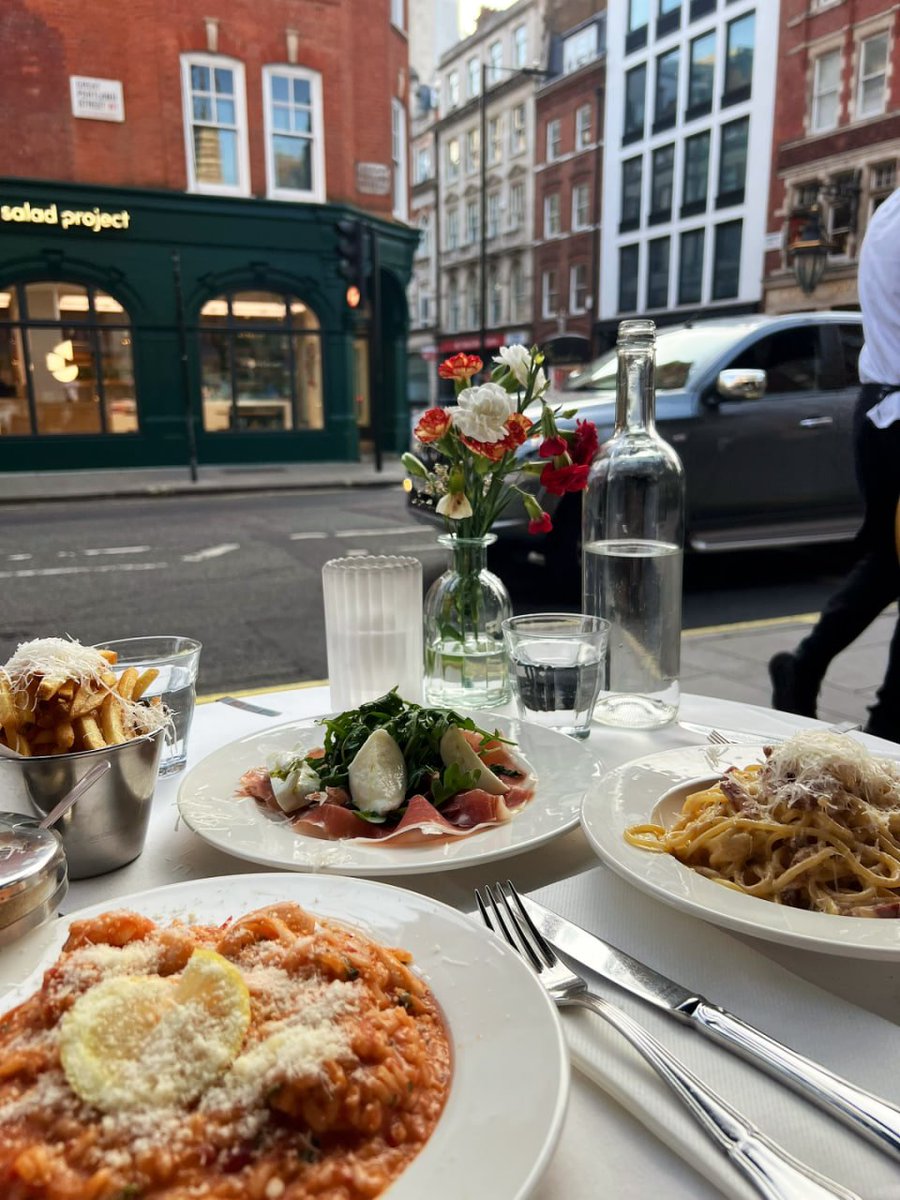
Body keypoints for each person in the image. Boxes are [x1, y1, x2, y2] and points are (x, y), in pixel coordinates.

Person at [769, 186, 900, 741]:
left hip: (882, 408)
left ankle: (805, 669)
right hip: (895, 410)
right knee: (890, 564)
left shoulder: (889, 208)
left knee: (890, 565)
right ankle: (887, 725)